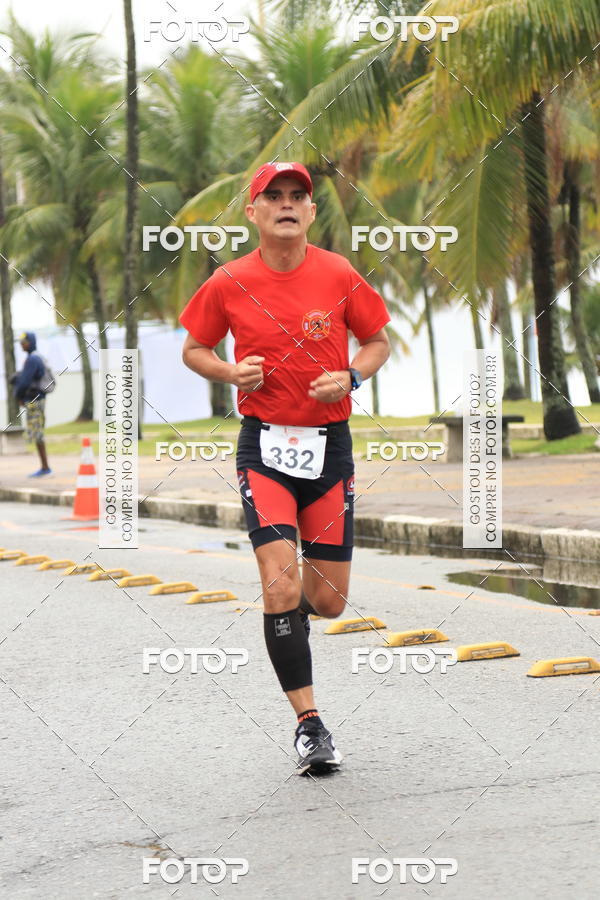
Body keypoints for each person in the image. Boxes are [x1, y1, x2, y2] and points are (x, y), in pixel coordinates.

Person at [180, 162, 390, 775]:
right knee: (280, 583)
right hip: (264, 449)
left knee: (328, 601)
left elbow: (378, 341)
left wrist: (351, 375)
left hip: (329, 449)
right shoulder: (229, 281)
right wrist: (229, 372)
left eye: (298, 195)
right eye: (273, 197)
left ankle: (291, 616)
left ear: (312, 211)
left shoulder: (338, 273)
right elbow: (194, 348)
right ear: (253, 213)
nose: (287, 204)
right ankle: (309, 725)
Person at [12, 331, 52, 477]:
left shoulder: (32, 359)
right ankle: (44, 467)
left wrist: (18, 395)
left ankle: (45, 468)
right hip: (37, 399)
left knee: (37, 433)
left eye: (24, 342)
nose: (22, 344)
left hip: (35, 401)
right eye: (21, 342)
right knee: (37, 433)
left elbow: (25, 382)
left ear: (31, 342)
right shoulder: (36, 357)